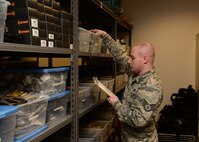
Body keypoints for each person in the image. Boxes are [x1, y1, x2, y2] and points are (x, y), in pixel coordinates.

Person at [91, 29, 163, 142]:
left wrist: (116, 104)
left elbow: (138, 120)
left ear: (145, 59)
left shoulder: (151, 87)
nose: (129, 61)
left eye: (132, 58)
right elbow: (120, 55)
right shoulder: (135, 72)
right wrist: (105, 36)